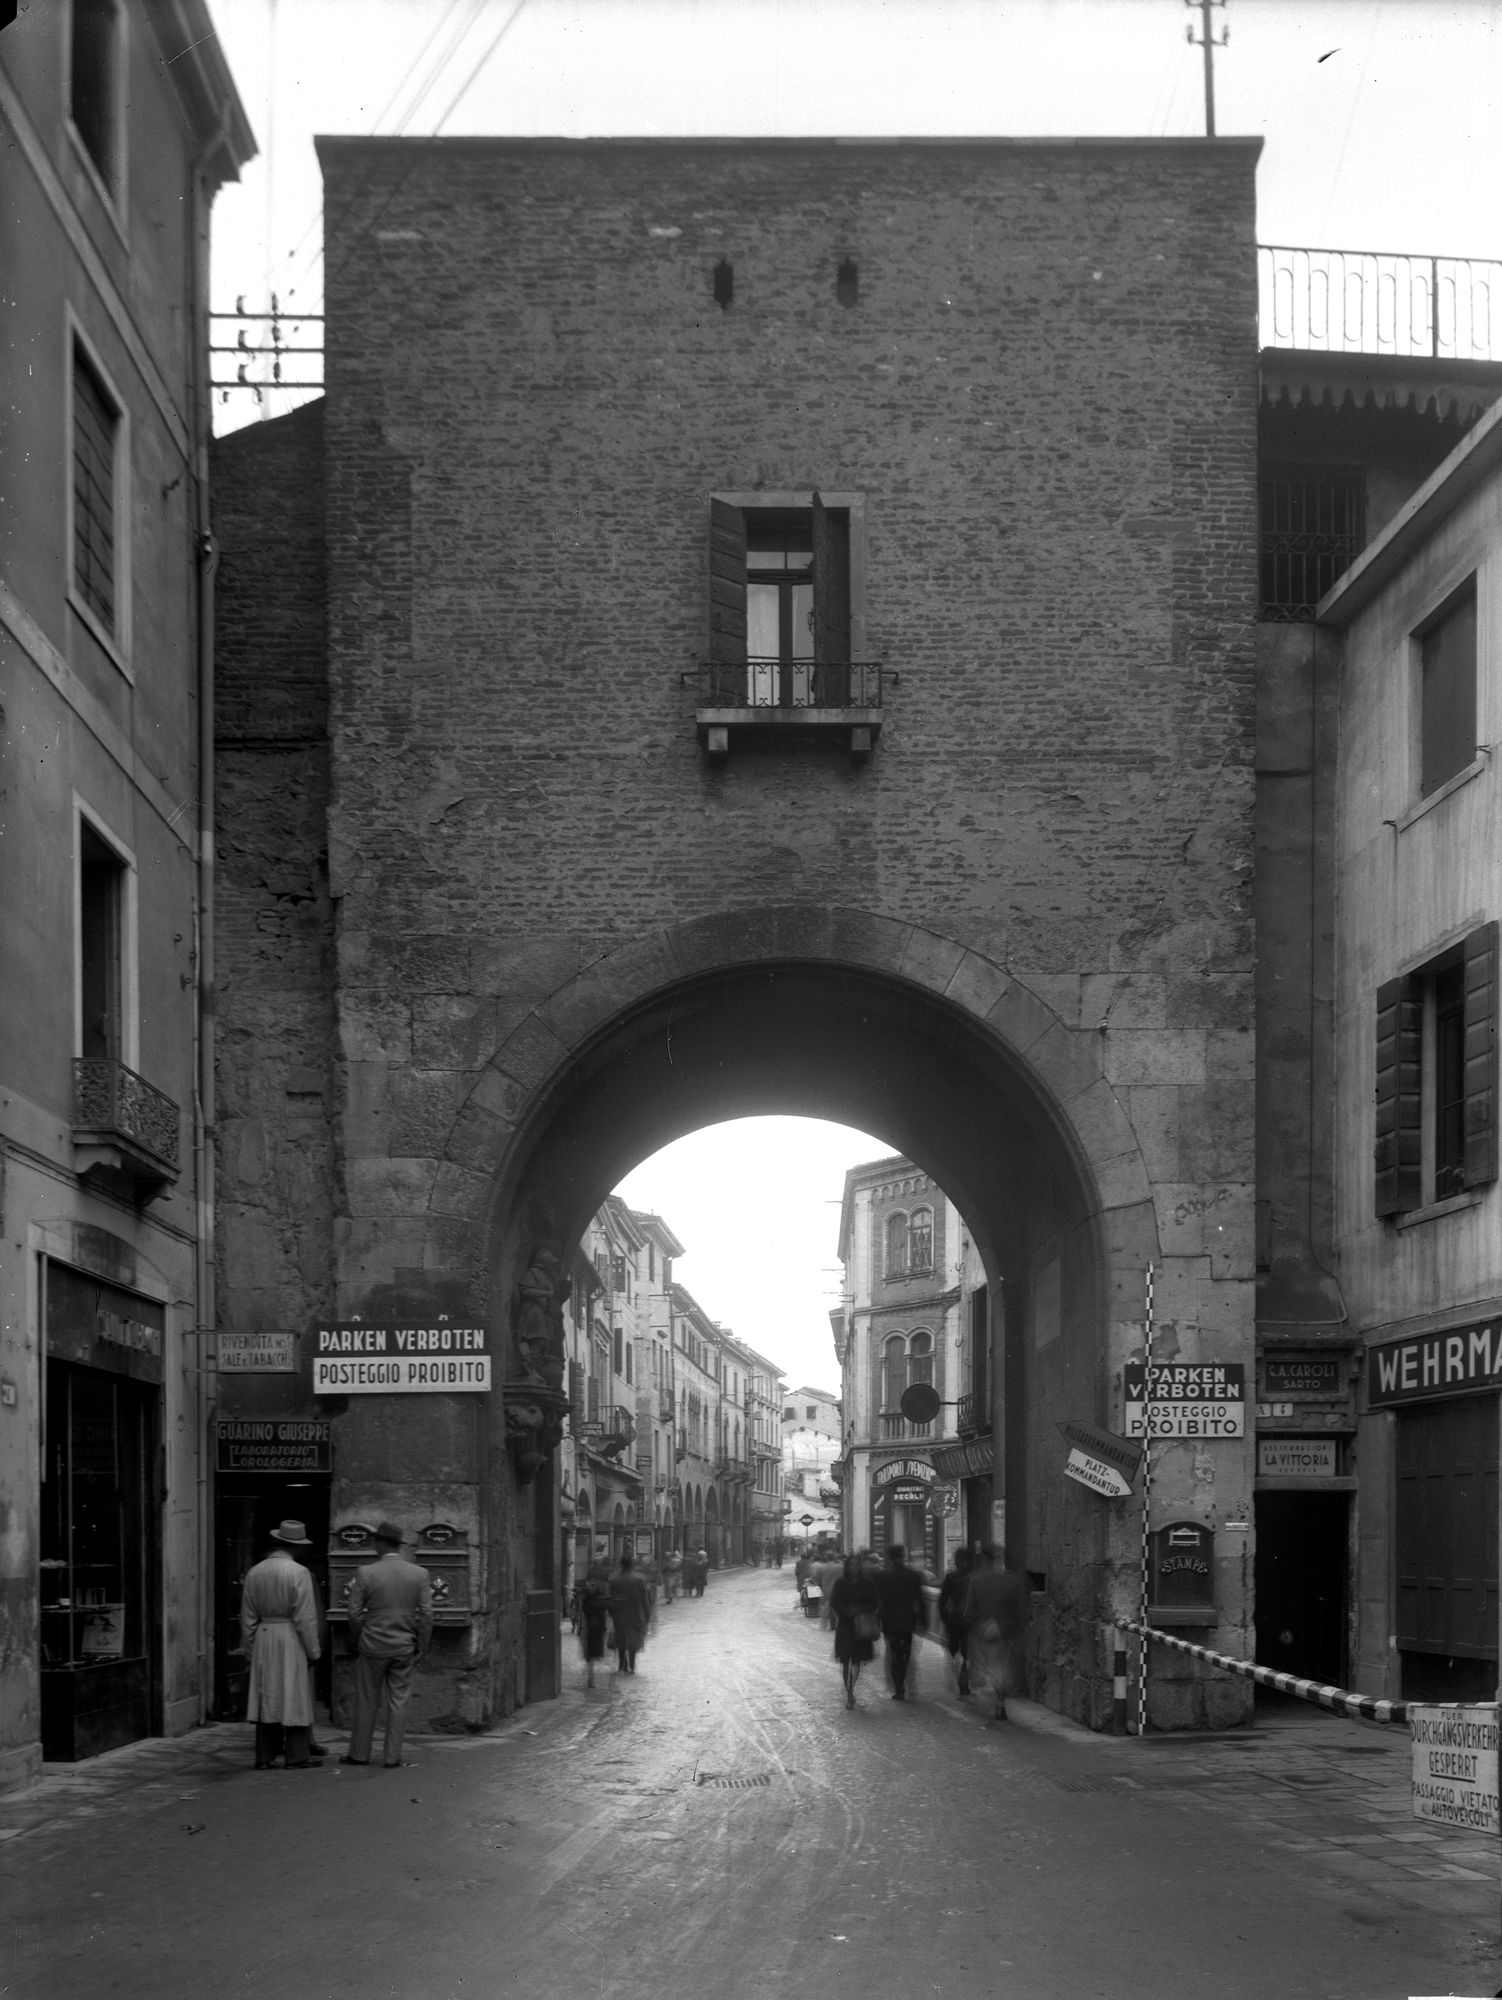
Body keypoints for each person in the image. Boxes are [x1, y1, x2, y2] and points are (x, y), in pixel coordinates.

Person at [344, 1520, 433, 1767]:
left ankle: (359, 1754)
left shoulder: (366, 1572)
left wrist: (362, 1634)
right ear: (399, 1545)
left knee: (366, 1700)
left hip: (372, 1646)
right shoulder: (419, 1574)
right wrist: (422, 1645)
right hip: (404, 1645)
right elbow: (426, 1615)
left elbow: (353, 1614)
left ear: (380, 1543)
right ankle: (392, 1756)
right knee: (399, 1701)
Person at [240, 1520, 322, 1769]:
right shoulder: (298, 1573)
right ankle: (296, 1755)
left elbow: (247, 1616)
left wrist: (249, 1648)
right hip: (290, 1636)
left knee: (268, 1693)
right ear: (295, 1548)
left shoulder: (255, 1571)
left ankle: (264, 1755)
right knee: (293, 1693)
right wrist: (313, 1650)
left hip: (265, 1635)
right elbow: (305, 1617)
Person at [962, 1546, 1030, 1721]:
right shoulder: (1014, 1581)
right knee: (1002, 1665)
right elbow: (1021, 1611)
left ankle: (984, 1689)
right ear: (1001, 1559)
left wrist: (979, 1625)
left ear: (984, 1560)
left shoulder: (975, 1581)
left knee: (984, 1663)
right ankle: (1000, 1702)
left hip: (983, 1630)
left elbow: (968, 1612)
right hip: (1006, 1630)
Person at [828, 1551, 881, 1710]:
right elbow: (835, 1602)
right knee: (846, 1660)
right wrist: (846, 1611)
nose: (854, 1568)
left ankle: (851, 1688)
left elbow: (875, 1601)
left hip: (861, 1625)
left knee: (857, 1660)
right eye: (851, 1565)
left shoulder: (868, 1583)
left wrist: (859, 1609)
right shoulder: (840, 1583)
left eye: (857, 1565)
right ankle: (849, 1691)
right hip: (845, 1624)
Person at [875, 1543, 928, 1701]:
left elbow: (878, 1601)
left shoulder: (883, 1577)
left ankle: (899, 1687)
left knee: (894, 1652)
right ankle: (904, 1682)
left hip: (889, 1621)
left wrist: (877, 1620)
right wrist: (923, 1621)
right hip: (907, 1620)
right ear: (903, 1556)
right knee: (905, 1652)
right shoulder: (913, 1576)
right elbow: (919, 1600)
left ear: (890, 1558)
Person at [607, 1550, 654, 1674]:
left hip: (619, 1615)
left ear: (621, 1565)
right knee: (633, 1638)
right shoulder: (640, 1580)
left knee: (621, 1637)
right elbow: (645, 1600)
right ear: (632, 1565)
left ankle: (622, 1663)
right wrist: (648, 1615)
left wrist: (612, 1614)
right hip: (635, 1613)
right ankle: (632, 1664)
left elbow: (610, 1600)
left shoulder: (615, 1580)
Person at [937, 1547, 974, 1697]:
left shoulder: (950, 1577)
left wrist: (946, 1618)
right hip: (968, 1621)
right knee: (967, 1653)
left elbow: (942, 1601)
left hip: (954, 1620)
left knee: (954, 1651)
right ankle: (964, 1680)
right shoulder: (974, 1577)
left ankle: (961, 1679)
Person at [578, 1557, 612, 1687]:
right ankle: (592, 1676)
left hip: (592, 1621)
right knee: (594, 1649)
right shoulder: (600, 1587)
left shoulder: (592, 1585)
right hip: (596, 1620)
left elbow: (586, 1603)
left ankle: (591, 1675)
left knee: (591, 1649)